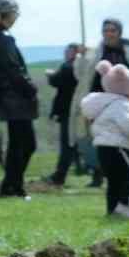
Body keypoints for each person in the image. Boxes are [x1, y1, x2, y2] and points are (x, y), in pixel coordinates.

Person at [72, 18, 129, 189]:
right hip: (102, 105)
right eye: (105, 30)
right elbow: (80, 74)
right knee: (101, 138)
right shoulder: (93, 53)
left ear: (119, 32)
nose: (109, 34)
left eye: (112, 30)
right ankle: (99, 174)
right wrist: (81, 57)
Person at [0, 0, 37, 199]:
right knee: (25, 144)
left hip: (5, 99)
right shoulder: (5, 41)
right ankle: (11, 186)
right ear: (8, 15)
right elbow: (14, 71)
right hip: (16, 99)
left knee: (18, 144)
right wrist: (31, 88)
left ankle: (12, 187)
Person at [80, 60, 129, 221]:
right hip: (118, 147)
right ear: (127, 88)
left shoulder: (105, 103)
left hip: (103, 148)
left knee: (115, 180)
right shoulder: (123, 105)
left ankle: (113, 209)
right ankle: (127, 207)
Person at [45, 44, 81, 187]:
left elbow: (56, 81)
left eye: (68, 51)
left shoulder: (68, 67)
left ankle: (59, 176)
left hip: (69, 110)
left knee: (67, 144)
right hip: (77, 109)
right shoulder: (80, 67)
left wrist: (50, 75)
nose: (66, 54)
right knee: (75, 144)